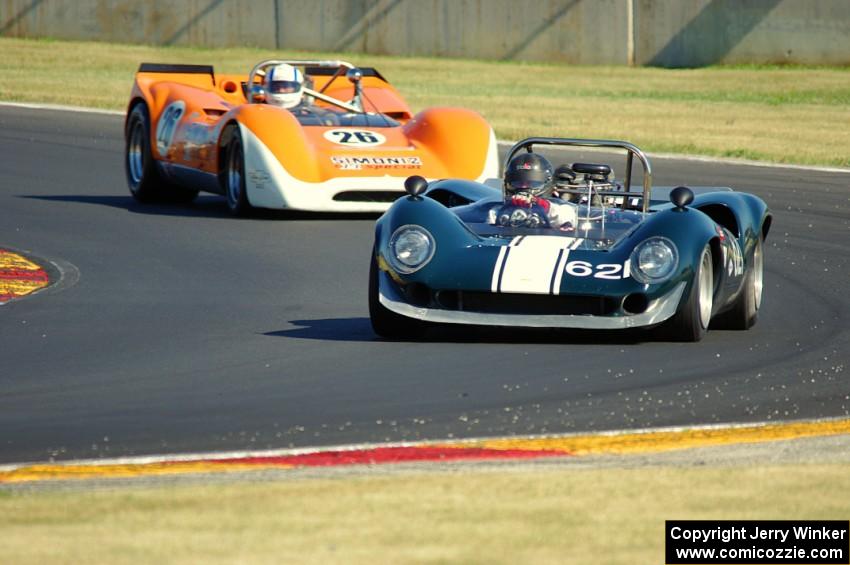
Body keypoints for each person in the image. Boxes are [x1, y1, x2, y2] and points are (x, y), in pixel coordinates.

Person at [492, 153, 578, 229]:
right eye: (518, 183)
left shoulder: (562, 210)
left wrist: (541, 205)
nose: (524, 187)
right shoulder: (495, 211)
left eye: (532, 183)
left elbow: (567, 217)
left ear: (548, 184)